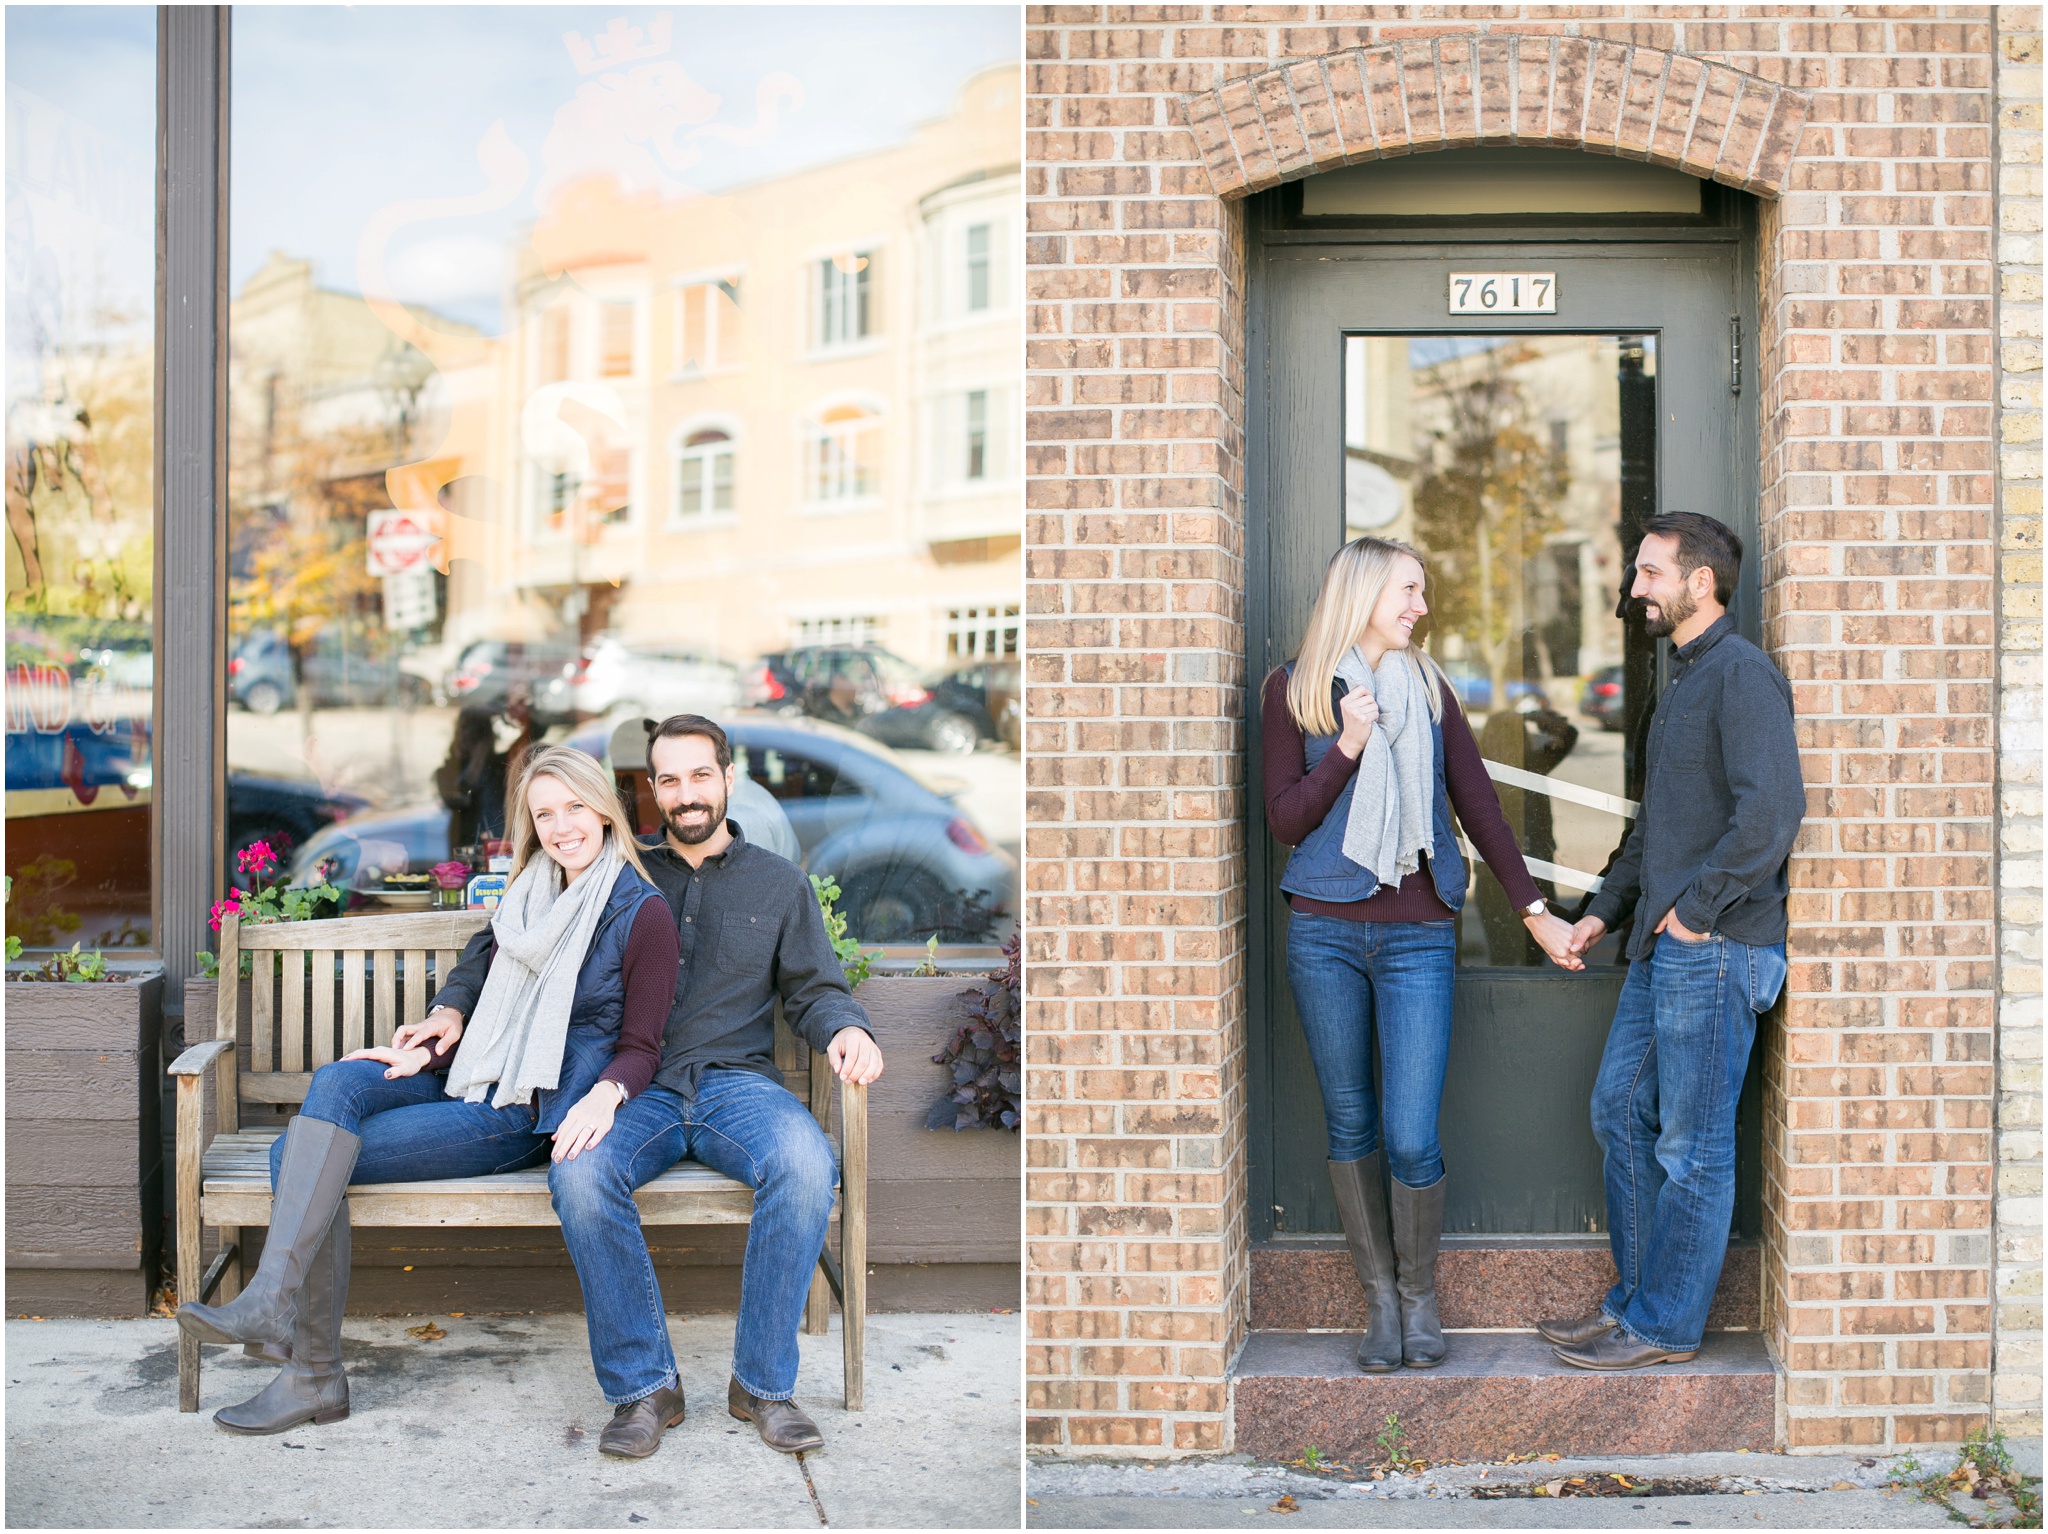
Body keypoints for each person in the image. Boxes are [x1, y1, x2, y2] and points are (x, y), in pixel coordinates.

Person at [415, 713, 885, 1460]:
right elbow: (498, 940)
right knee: (579, 1172)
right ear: (650, 791)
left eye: (701, 775)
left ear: (730, 780)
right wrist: (451, 1005)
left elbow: (815, 988)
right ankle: (645, 1387)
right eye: (669, 779)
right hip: (636, 1088)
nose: (686, 792)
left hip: (737, 1087)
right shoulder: (621, 873)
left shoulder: (780, 883)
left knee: (804, 1166)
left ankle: (763, 1386)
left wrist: (846, 1029)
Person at [177, 745, 678, 1435]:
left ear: (605, 810)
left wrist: (605, 1097)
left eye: (574, 809)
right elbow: (482, 957)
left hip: (518, 1111)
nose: (562, 827)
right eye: (545, 814)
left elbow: (642, 1048)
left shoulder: (639, 911)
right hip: (464, 1072)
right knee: (338, 1082)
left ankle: (307, 1367)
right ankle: (279, 1319)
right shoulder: (531, 888)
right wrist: (445, 1017)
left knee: (296, 1153)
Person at [1263, 536, 1583, 1374]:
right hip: (1323, 932)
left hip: (1417, 934)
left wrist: (1536, 913)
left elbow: (1480, 806)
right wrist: (1347, 747)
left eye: (1422, 592)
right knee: (1351, 1122)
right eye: (1409, 590)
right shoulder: (1293, 690)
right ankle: (1379, 1302)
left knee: (1410, 1134)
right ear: (1364, 591)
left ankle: (1418, 1296)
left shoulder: (1432, 689)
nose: (1421, 606)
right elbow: (1286, 822)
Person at [1545, 512, 1802, 1370]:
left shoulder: (1742, 676)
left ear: (1700, 582)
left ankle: (1662, 1327)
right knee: (1619, 1111)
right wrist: (1602, 910)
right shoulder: (1683, 681)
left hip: (1718, 945)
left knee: (1692, 1145)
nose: (1635, 588)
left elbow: (1771, 812)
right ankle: (1635, 1307)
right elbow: (1657, 828)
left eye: (1651, 573)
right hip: (1667, 948)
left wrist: (1696, 911)